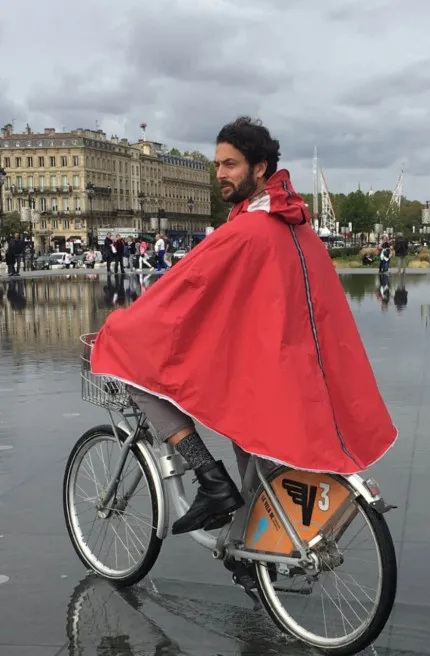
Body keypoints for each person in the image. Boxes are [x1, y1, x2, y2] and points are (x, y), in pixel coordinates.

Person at [91, 116, 396, 538]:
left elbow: (181, 289)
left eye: (230, 165)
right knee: (258, 473)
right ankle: (250, 556)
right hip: (298, 372)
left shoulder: (248, 229)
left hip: (260, 373)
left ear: (259, 169)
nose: (220, 174)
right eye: (218, 164)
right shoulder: (298, 227)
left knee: (136, 370)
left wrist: (123, 325)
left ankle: (210, 480)